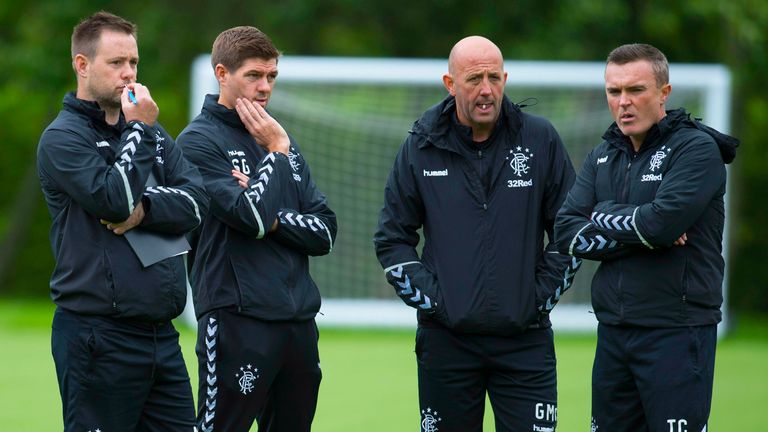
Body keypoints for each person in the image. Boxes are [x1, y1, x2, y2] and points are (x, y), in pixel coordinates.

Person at [373, 35, 580, 432]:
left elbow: (568, 232)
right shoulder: (421, 146)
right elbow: (392, 238)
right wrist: (439, 303)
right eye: (473, 79)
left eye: (494, 78)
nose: (486, 90)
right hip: (446, 345)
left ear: (505, 78)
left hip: (526, 342)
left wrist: (535, 299)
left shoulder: (540, 140)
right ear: (450, 84)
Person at [36, 11, 208, 432]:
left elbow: (198, 202)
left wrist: (146, 209)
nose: (129, 74)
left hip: (161, 338)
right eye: (116, 63)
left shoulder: (149, 132)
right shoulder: (63, 138)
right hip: (97, 337)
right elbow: (114, 201)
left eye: (133, 62)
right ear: (82, 65)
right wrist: (139, 132)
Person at [554, 43, 739, 432]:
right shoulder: (603, 154)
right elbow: (567, 230)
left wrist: (603, 215)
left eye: (635, 90)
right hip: (614, 334)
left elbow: (660, 226)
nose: (623, 102)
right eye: (614, 91)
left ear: (664, 93)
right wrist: (639, 228)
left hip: (677, 331)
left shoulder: (696, 149)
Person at [176, 26, 337, 432]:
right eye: (253, 75)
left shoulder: (279, 139)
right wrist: (276, 158)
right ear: (222, 74)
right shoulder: (198, 142)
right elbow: (248, 217)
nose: (265, 86)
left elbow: (325, 231)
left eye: (271, 76)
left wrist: (276, 214)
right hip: (236, 318)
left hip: (298, 322)